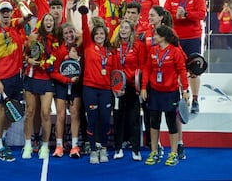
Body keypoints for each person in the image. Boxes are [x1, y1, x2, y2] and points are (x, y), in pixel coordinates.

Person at [141, 25, 189, 166]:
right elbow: (147, 69)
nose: (154, 37)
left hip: (171, 93)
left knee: (171, 123)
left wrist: (185, 90)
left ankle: (173, 153)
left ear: (163, 37)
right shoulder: (153, 50)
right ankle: (154, 152)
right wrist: (144, 87)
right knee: (154, 123)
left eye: (156, 35)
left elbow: (182, 70)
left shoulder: (175, 52)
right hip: (155, 92)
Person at [0, 2, 28, 162]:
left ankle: (2, 138)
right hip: (3, 79)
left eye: (8, 12)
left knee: (12, 112)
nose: (5, 14)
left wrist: (18, 0)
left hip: (17, 78)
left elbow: (27, 17)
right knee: (3, 113)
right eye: (3, 12)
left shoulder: (14, 26)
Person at [164, 0, 206, 116]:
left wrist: (187, 14)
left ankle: (195, 100)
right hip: (176, 39)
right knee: (176, 69)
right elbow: (165, 16)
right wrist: (173, 16)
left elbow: (202, 14)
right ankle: (181, 98)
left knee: (194, 70)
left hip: (193, 38)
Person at [22, 13, 60, 160]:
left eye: (51, 20)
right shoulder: (33, 37)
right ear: (42, 23)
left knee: (45, 112)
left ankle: (45, 145)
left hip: (48, 79)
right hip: (31, 77)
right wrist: (28, 60)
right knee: (30, 111)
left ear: (54, 23)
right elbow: (23, 55)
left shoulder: (57, 39)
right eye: (46, 20)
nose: (49, 22)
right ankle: (27, 145)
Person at [80, 12, 117, 164]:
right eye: (97, 34)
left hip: (106, 91)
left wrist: (117, 88)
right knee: (92, 120)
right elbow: (84, 29)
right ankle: (93, 150)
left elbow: (115, 73)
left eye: (102, 33)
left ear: (106, 35)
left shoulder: (111, 51)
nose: (99, 36)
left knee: (106, 120)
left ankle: (103, 148)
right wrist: (84, 14)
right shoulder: (88, 46)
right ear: (93, 35)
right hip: (90, 89)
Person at [111, 20, 145, 161]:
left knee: (134, 119)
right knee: (118, 118)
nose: (123, 30)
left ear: (131, 30)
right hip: (118, 88)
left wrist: (140, 86)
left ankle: (135, 150)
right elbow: (112, 67)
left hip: (132, 87)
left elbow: (142, 66)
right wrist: (115, 87)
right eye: (121, 28)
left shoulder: (138, 45)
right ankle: (118, 148)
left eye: (126, 28)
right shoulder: (114, 46)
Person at [50, 22, 83, 158]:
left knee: (75, 114)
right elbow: (53, 72)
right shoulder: (58, 50)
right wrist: (67, 80)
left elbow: (86, 68)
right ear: (62, 36)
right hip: (62, 85)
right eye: (66, 33)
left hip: (76, 86)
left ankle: (75, 146)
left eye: (71, 32)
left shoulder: (80, 48)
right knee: (61, 115)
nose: (69, 35)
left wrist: (79, 59)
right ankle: (59, 146)